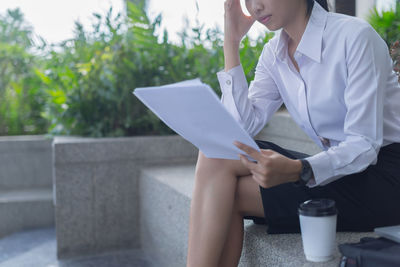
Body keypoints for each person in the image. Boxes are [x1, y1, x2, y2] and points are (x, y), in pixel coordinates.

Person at [186, 0, 400, 266]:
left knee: (227, 192)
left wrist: (300, 169)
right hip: (341, 171)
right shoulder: (274, 54)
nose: (255, 7)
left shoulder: (354, 37)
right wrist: (231, 43)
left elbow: (365, 144)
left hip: (388, 179)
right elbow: (238, 132)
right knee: (217, 159)